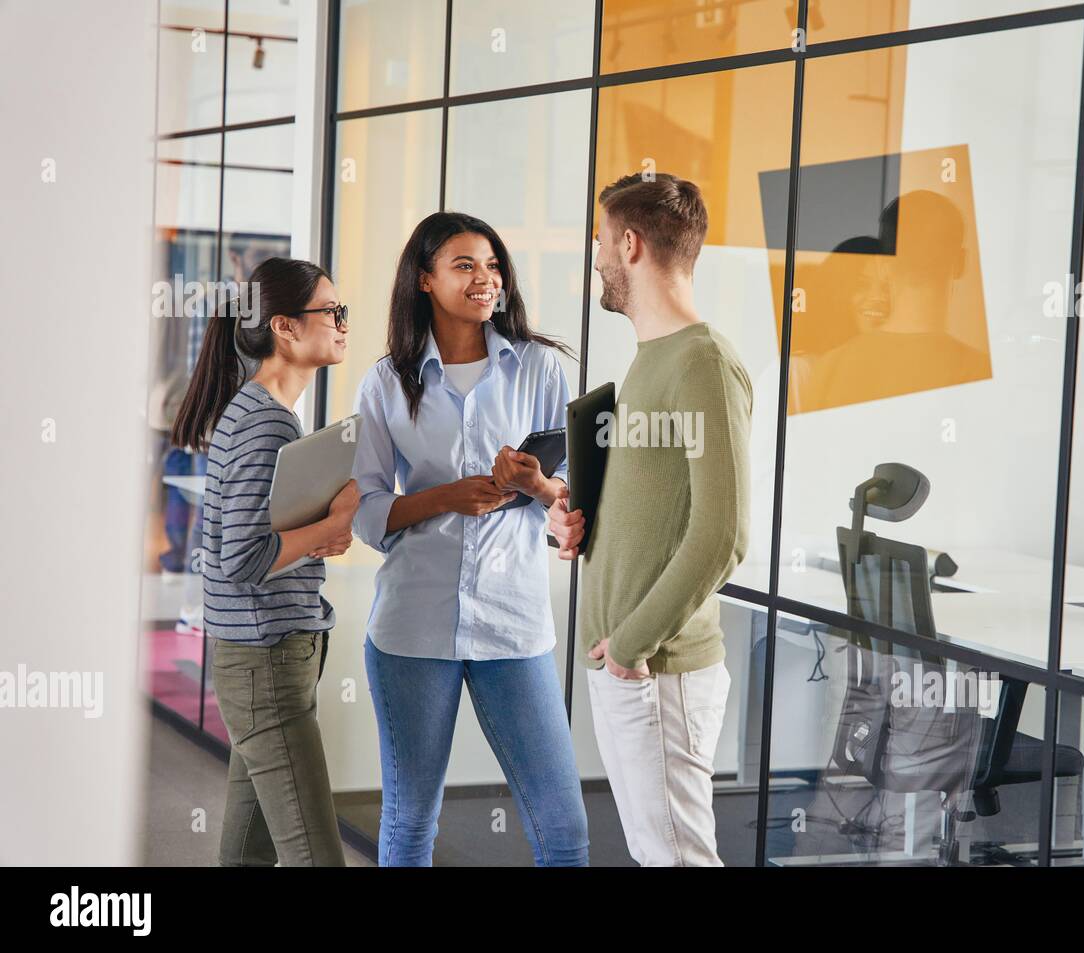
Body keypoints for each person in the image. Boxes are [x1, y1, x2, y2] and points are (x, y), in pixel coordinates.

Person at [351, 211, 589, 867]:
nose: (484, 279)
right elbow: (368, 513)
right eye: (463, 265)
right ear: (424, 279)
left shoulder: (540, 369)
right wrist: (448, 496)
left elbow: (569, 506)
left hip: (515, 625)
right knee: (407, 826)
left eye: (491, 265)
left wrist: (538, 485)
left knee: (564, 832)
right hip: (411, 628)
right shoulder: (386, 382)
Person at [549, 173, 752, 866]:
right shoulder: (650, 360)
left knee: (677, 860)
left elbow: (723, 535)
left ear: (630, 245)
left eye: (602, 242)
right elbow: (659, 507)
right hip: (628, 666)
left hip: (654, 669)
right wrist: (576, 517)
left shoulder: (702, 362)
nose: (597, 258)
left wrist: (632, 644)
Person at [170, 256, 358, 866]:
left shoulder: (267, 415)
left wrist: (317, 532)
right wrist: (330, 526)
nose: (342, 322)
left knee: (247, 856)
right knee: (317, 856)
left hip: (267, 657)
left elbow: (258, 537)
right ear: (284, 326)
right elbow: (242, 559)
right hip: (265, 664)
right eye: (331, 311)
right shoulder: (264, 424)